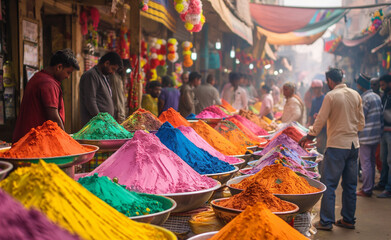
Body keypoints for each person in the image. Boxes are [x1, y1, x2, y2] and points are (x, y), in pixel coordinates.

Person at [299, 68, 365, 231]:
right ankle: (348, 220)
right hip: (353, 145)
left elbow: (320, 120)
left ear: (329, 81)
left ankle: (326, 221)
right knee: (350, 185)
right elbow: (361, 123)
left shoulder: (331, 96)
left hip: (337, 145)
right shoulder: (355, 94)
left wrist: (309, 136)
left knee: (329, 183)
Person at [13, 49, 79, 142]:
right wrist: (67, 141)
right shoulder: (48, 83)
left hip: (28, 138)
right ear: (59, 67)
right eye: (68, 72)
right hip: (34, 141)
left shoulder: (38, 77)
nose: (68, 77)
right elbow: (53, 117)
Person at [354, 74, 383, 197]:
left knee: (366, 163)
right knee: (371, 162)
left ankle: (366, 189)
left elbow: (361, 118)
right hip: (376, 136)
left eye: (358, 84)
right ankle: (368, 187)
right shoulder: (376, 96)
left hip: (366, 136)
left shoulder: (364, 99)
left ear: (361, 85)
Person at [79, 52, 123, 126]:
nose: (112, 73)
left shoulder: (104, 77)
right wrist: (100, 121)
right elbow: (90, 101)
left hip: (104, 125)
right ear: (106, 63)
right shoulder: (91, 75)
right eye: (113, 69)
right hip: (95, 125)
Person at [375, 74, 391, 198]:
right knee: (383, 159)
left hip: (389, 132)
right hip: (384, 132)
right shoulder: (385, 96)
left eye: (383, 85)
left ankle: (389, 188)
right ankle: (382, 183)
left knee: (390, 160)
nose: (381, 88)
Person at [308, 79, 327, 155]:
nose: (315, 90)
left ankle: (321, 162)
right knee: (316, 145)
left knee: (321, 146)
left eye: (317, 88)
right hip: (315, 126)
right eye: (314, 88)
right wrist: (309, 123)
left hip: (323, 127)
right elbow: (311, 113)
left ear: (320, 88)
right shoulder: (314, 100)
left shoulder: (325, 98)